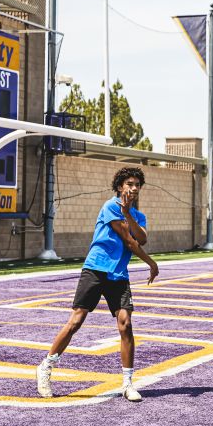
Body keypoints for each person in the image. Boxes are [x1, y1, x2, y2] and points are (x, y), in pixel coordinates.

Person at [36, 167, 160, 402]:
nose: (133, 188)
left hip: (118, 274)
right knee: (76, 321)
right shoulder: (110, 206)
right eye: (129, 184)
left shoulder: (138, 216)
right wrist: (152, 264)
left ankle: (128, 383)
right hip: (96, 269)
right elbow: (130, 240)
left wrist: (129, 214)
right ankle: (46, 366)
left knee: (126, 325)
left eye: (137, 185)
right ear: (120, 187)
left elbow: (142, 237)